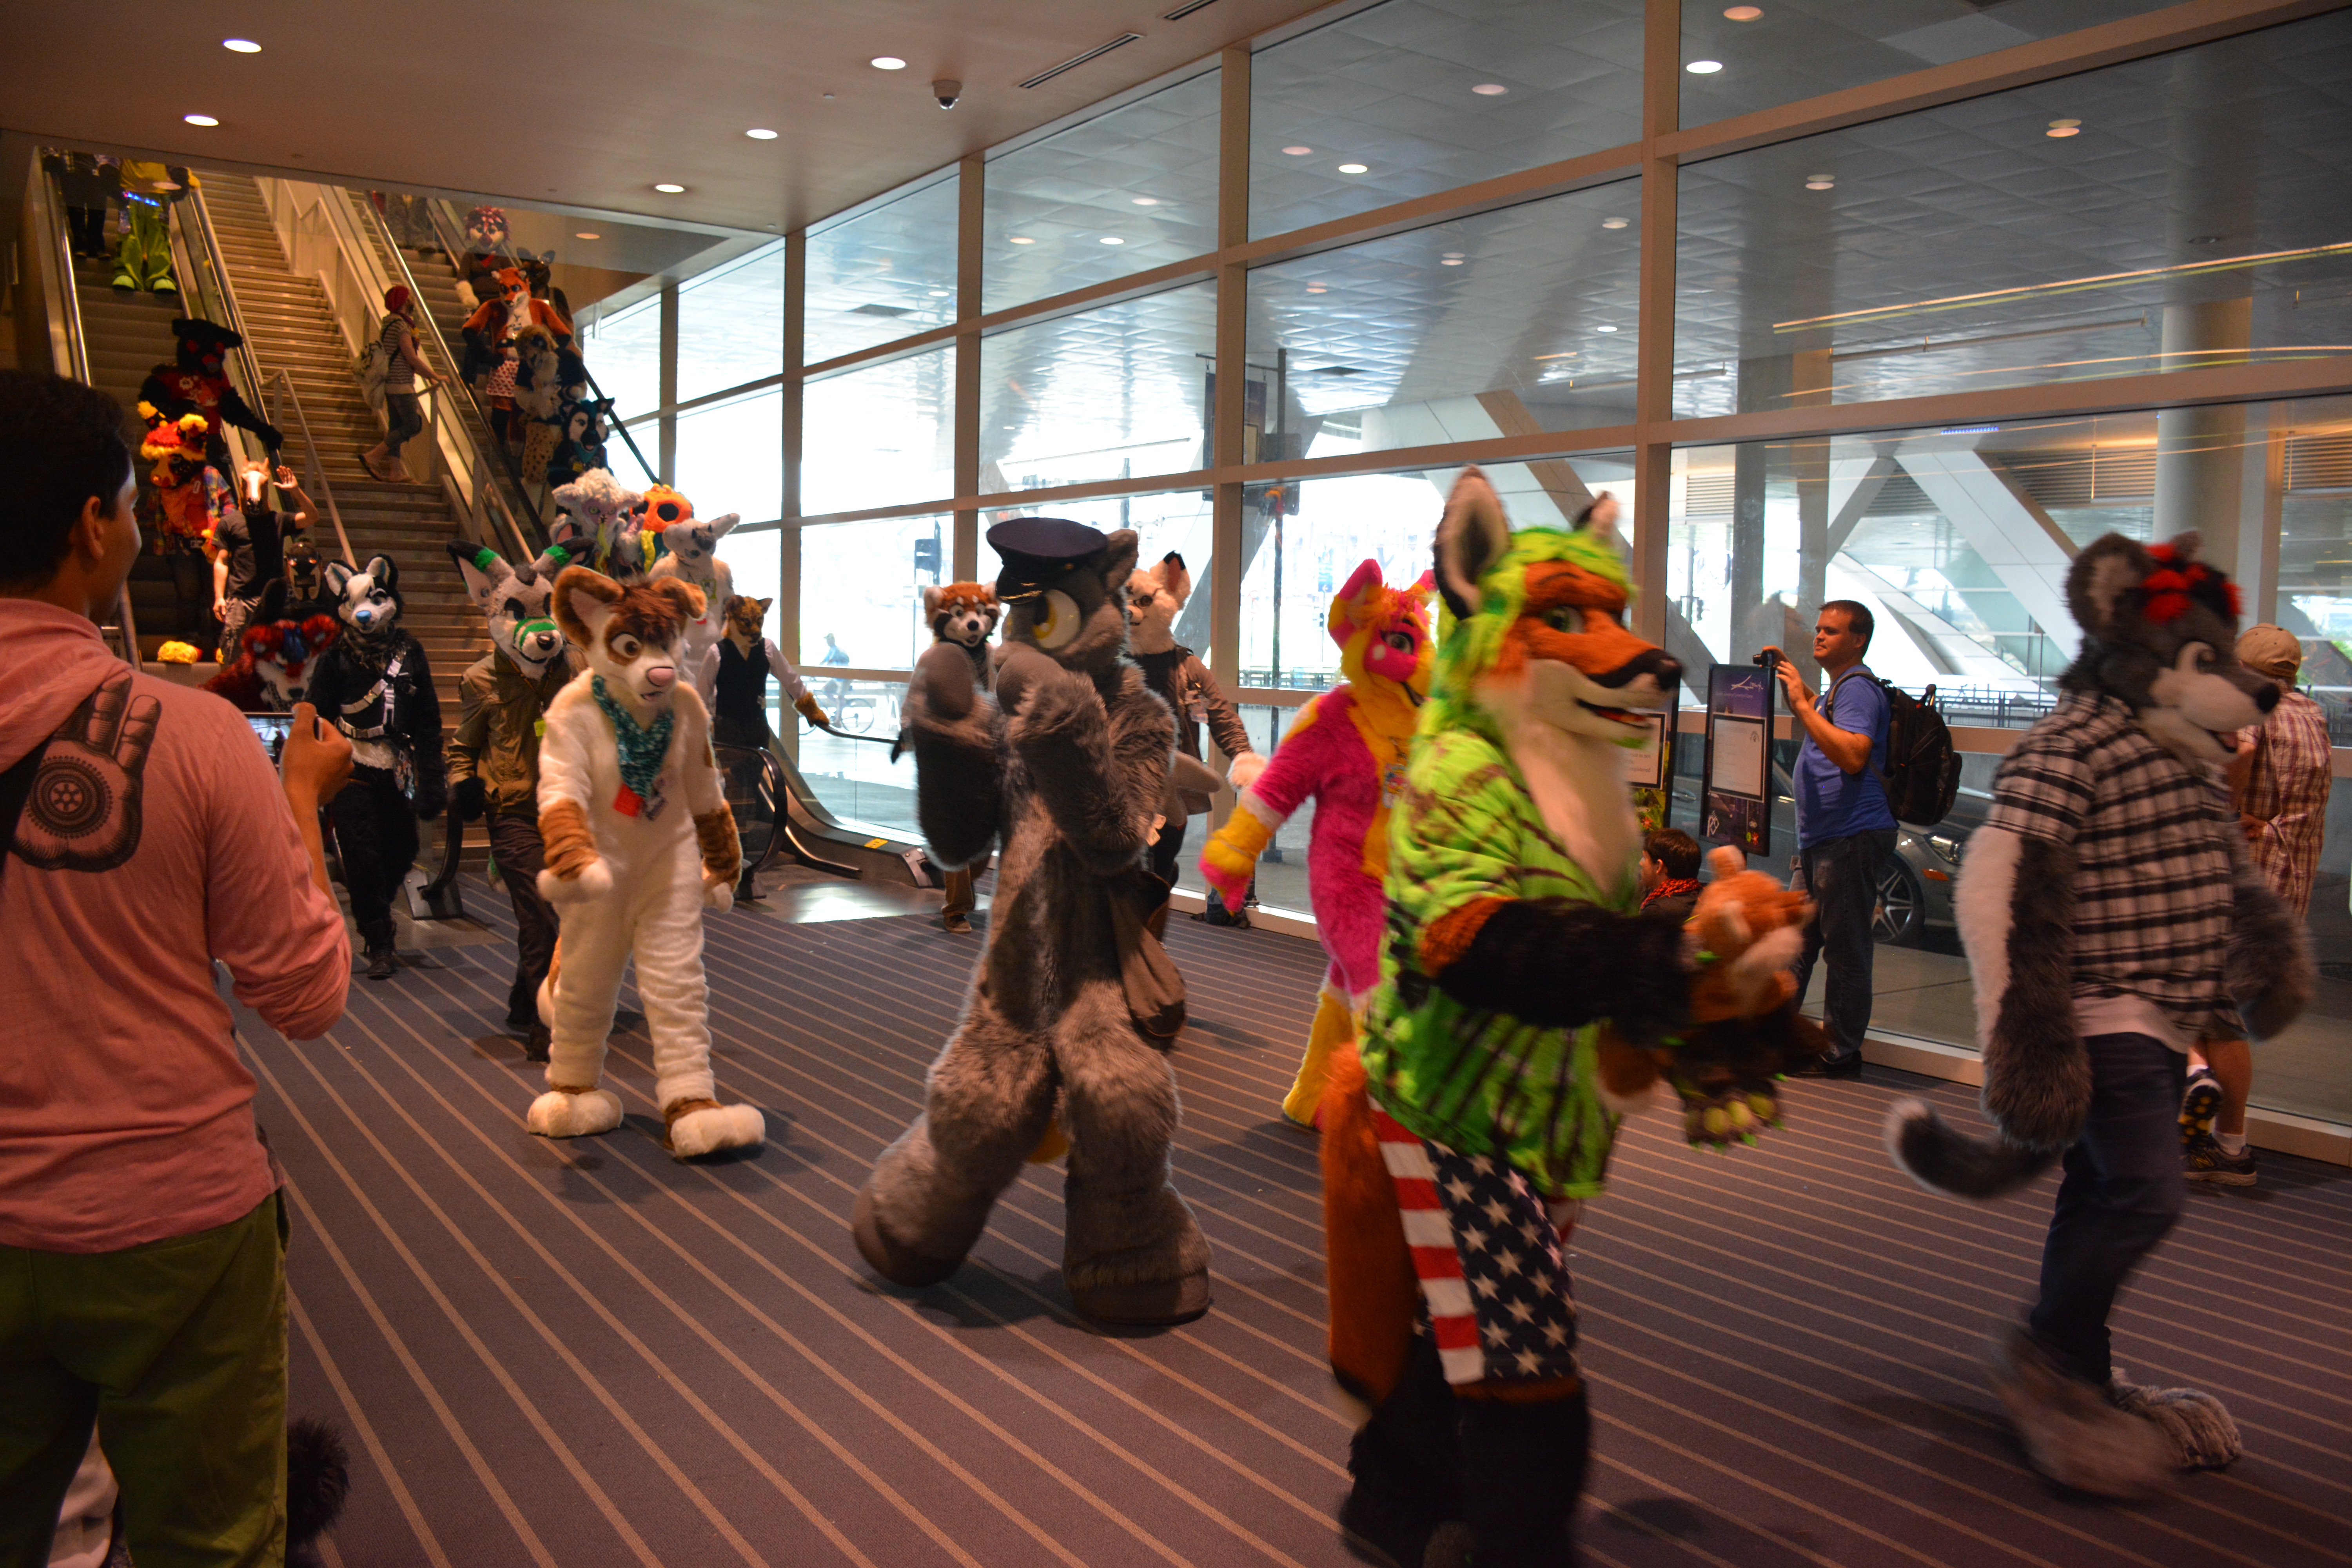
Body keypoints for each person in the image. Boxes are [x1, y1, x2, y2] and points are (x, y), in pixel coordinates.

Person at [0, 369, 353, 1566]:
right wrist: (298, 802)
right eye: (129, 505)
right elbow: (305, 993)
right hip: (173, 1220)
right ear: (89, 527)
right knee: (210, 1540)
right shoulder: (198, 737)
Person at [2181, 624, 2330, 1187]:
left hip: (2239, 883)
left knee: (2200, 1003)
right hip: (2286, 890)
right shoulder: (2312, 715)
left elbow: (2240, 750)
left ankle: (2206, 1097)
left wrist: (2227, 809)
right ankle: (2218, 1139)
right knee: (2222, 1009)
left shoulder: (2248, 704)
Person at [1766, 601, 1896, 1078]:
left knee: (1845, 949)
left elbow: (1855, 755)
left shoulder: (1857, 688)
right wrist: (1799, 690)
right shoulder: (1836, 691)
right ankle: (1780, 1038)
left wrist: (1803, 705)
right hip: (1823, 838)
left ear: (1858, 640)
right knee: (1795, 942)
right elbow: (1824, 728)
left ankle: (1841, 1050)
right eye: (1818, 629)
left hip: (1849, 835)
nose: (1819, 636)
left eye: (1832, 631)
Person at [211, 463, 313, 654]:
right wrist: (219, 597)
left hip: (273, 600)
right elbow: (222, 561)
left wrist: (296, 491)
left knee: (275, 653)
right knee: (235, 652)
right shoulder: (229, 523)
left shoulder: (279, 520)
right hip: (240, 600)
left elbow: (311, 516)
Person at [360, 285, 444, 484]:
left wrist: (429, 377)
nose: (413, 300)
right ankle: (374, 455)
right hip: (401, 384)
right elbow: (411, 358)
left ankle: (395, 471)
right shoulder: (400, 326)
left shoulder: (389, 323)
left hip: (391, 383)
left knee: (396, 427)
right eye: (409, 297)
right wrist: (435, 376)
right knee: (413, 425)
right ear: (405, 301)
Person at [1639, 827, 1702, 922]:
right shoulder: (1705, 897)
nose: (1641, 863)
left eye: (1645, 858)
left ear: (1659, 866)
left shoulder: (1657, 911)